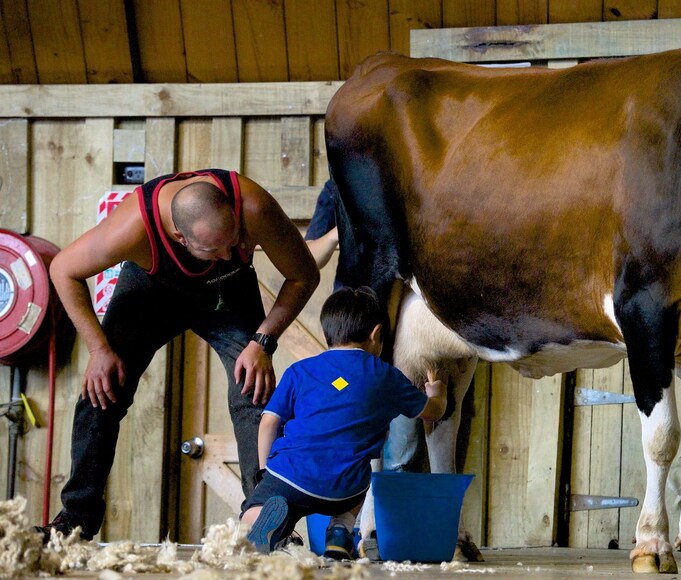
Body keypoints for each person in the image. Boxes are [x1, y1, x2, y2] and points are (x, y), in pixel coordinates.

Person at [39, 168, 320, 541]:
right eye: (212, 248)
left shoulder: (253, 206)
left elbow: (304, 276)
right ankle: (75, 521)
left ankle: (263, 523)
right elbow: (62, 270)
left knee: (253, 392)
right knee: (100, 392)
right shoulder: (134, 226)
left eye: (230, 242)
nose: (224, 254)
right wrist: (98, 349)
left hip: (228, 292)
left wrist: (263, 341)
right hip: (150, 291)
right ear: (178, 235)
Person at [242, 286, 446, 558]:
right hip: (345, 489)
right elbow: (432, 412)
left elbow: (268, 422)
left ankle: (264, 522)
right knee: (359, 470)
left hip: (290, 475)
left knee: (262, 505)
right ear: (376, 335)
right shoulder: (387, 376)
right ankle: (340, 532)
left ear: (327, 334)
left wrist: (265, 471)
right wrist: (436, 394)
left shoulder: (300, 371)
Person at [305, 179, 426, 473]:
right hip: (351, 335)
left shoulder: (407, 180)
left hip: (400, 336)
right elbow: (310, 256)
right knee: (348, 431)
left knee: (401, 448)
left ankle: (385, 516)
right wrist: (339, 233)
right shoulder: (338, 186)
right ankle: (352, 513)